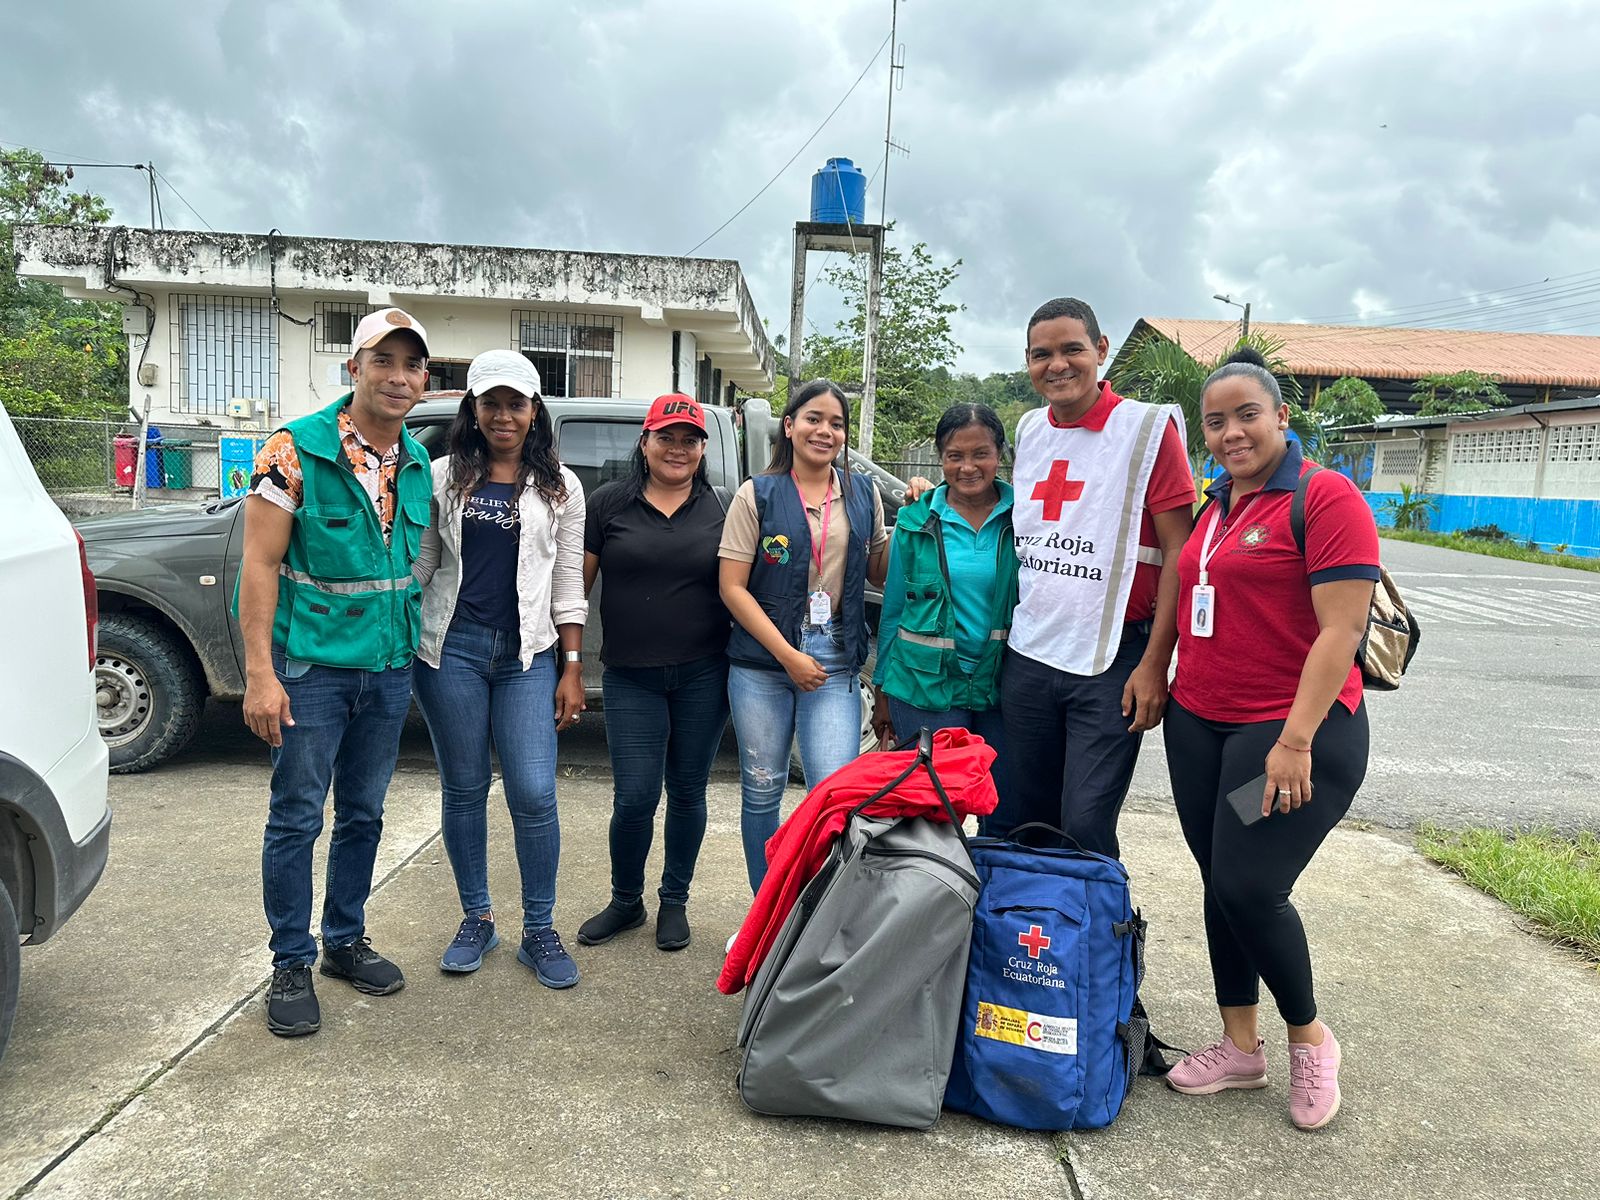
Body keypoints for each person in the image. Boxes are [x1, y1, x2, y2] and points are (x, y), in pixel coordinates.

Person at [1161, 346, 1379, 1131]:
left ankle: (1310, 1038)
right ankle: (1238, 1047)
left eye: (1247, 415)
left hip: (1290, 733)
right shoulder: (1218, 503)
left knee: (1250, 885)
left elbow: (1342, 629)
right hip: (1199, 724)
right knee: (1219, 879)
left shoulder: (1325, 497)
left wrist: (1294, 741)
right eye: (1215, 421)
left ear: (1282, 416)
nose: (1231, 433)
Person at [239, 307, 433, 1038]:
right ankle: (290, 960)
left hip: (387, 669)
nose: (398, 377)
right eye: (383, 361)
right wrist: (261, 674)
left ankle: (344, 940)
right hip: (312, 670)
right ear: (354, 368)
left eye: (412, 365)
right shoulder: (292, 450)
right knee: (297, 815)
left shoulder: (416, 462)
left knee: (364, 813)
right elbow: (259, 565)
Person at [411, 349, 588, 990]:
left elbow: (568, 581)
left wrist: (571, 666)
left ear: (535, 411)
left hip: (527, 656)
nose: (503, 416)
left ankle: (539, 929)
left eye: (516, 404)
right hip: (451, 650)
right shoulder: (439, 476)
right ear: (473, 408)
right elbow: (424, 562)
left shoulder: (561, 486)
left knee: (534, 793)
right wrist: (381, 606)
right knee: (463, 789)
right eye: (491, 403)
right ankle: (477, 919)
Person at [1000, 297, 1195, 855]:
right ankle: (1033, 915)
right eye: (1042, 354)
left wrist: (1155, 663)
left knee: (1085, 826)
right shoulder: (1031, 429)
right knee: (1023, 820)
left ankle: (1094, 913)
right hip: (1030, 652)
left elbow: (1179, 550)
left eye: (1072, 349)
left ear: (1101, 349)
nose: (1057, 365)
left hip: (1113, 661)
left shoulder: (1147, 429)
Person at [718, 379, 888, 892]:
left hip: (835, 656)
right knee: (762, 791)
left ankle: (817, 912)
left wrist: (922, 512)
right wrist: (788, 655)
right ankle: (767, 912)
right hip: (762, 664)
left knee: (833, 795)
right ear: (789, 426)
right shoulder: (757, 494)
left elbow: (879, 570)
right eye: (814, 419)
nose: (825, 431)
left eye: (836, 423)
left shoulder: (863, 494)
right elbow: (732, 588)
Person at [576, 394, 731, 953]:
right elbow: (576, 589)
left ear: (702, 449)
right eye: (666, 437)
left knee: (687, 792)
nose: (677, 449)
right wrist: (568, 661)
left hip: (704, 674)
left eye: (689, 440)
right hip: (629, 676)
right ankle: (626, 901)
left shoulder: (724, 506)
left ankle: (674, 901)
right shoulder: (607, 503)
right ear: (644, 442)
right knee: (635, 797)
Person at [871, 403, 1017, 814]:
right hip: (923, 689)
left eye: (980, 454)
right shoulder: (914, 521)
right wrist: (881, 691)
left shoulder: (1025, 519)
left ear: (1000, 454)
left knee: (1002, 809)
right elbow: (893, 611)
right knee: (933, 813)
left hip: (1002, 686)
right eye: (955, 456)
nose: (968, 467)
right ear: (940, 458)